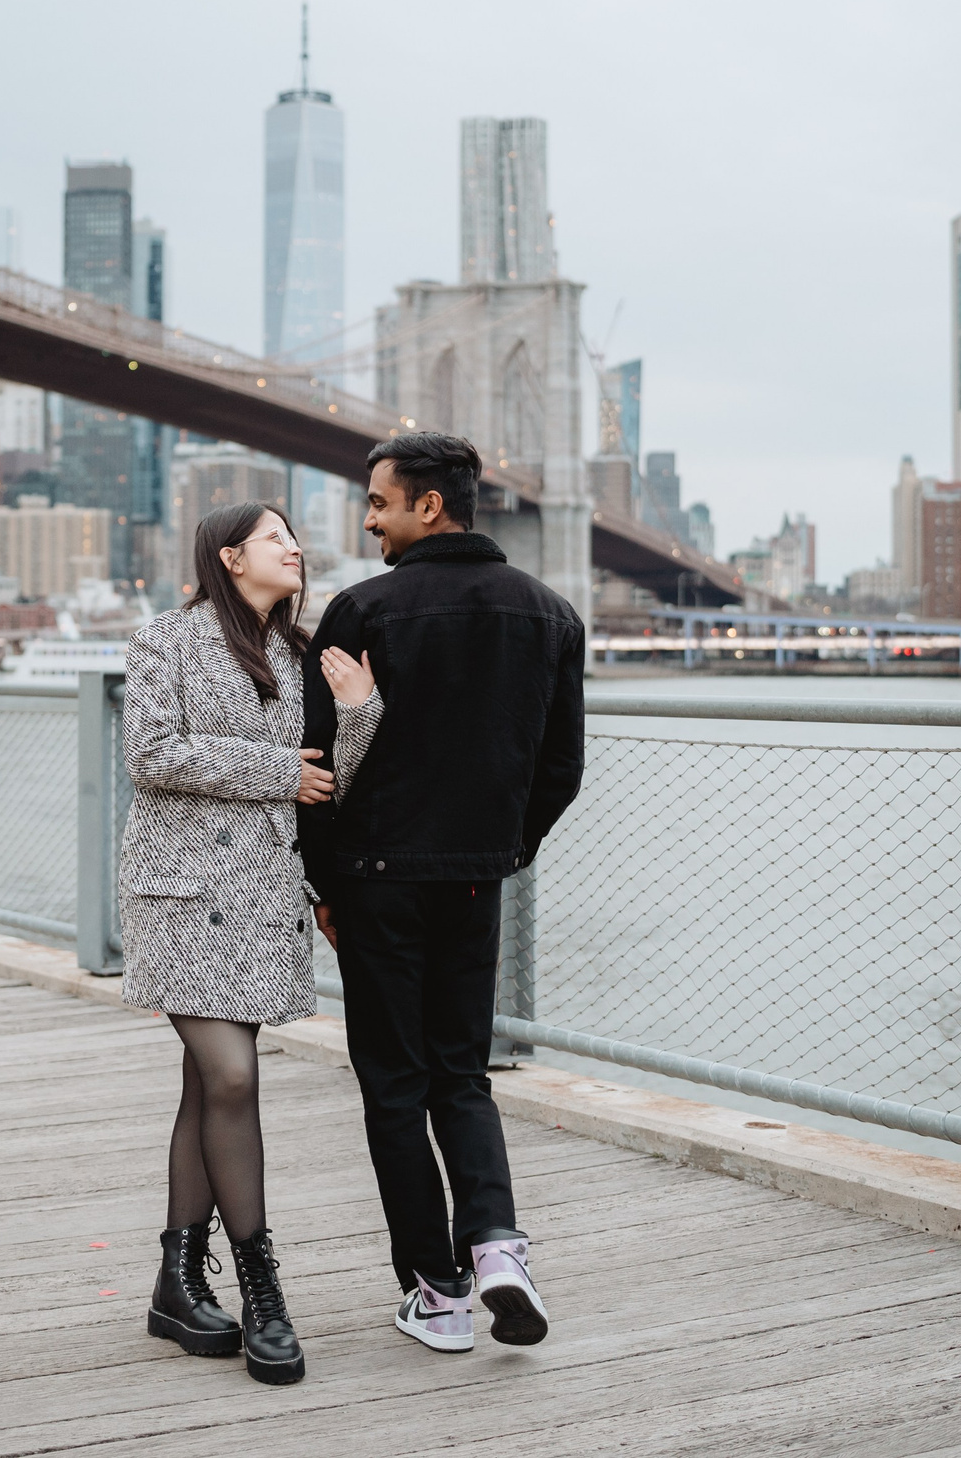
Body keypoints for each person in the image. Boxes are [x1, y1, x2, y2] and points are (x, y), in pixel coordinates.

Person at [301, 431, 586, 1354]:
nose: (370, 520)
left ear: (429, 505)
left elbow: (319, 769)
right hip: (473, 881)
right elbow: (561, 769)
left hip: (376, 880)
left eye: (379, 503)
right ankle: (499, 1247)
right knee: (462, 1077)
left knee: (394, 1086)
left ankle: (439, 1291)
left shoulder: (361, 612)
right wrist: (500, 851)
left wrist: (324, 883)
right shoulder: (550, 615)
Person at [118, 499, 373, 1387]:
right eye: (277, 538)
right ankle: (263, 1285)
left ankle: (178, 1284)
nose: (296, 549)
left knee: (206, 1086)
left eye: (295, 538)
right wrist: (275, 774)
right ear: (230, 557)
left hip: (263, 896)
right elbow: (150, 752)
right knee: (230, 1075)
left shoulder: (303, 657)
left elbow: (334, 777)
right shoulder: (166, 640)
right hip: (183, 895)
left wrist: (362, 708)